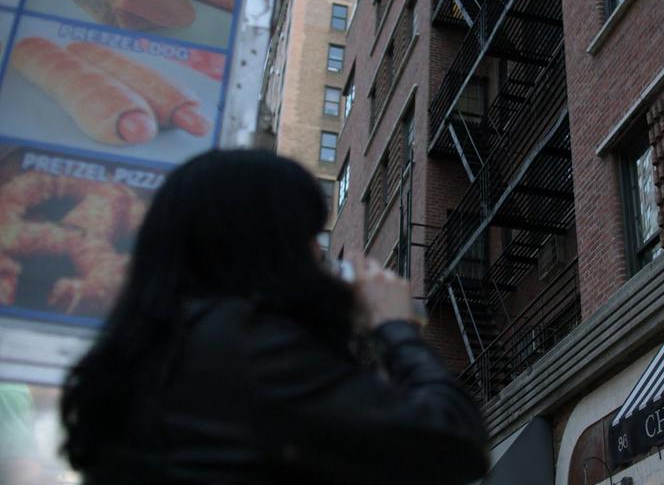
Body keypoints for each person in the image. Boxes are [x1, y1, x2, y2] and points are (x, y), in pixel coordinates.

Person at [60, 150, 489, 484]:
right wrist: (395, 327)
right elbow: (451, 440)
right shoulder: (247, 347)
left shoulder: (153, 351)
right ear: (261, 241)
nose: (318, 252)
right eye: (306, 234)